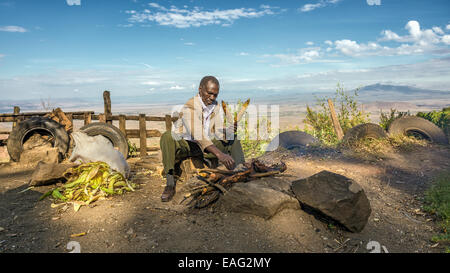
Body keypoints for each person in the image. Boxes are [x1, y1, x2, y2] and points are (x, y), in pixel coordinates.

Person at [159, 75, 245, 202]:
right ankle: (170, 184)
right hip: (187, 145)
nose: (212, 97)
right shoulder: (190, 106)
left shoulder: (215, 106)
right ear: (200, 90)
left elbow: (218, 131)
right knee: (167, 136)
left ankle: (242, 172)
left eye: (215, 95)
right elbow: (198, 135)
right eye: (209, 93)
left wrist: (227, 132)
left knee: (233, 138)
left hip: (205, 147)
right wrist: (220, 154)